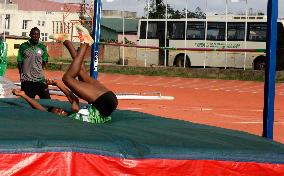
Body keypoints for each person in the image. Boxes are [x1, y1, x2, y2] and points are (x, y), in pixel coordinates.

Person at [13, 24, 118, 123]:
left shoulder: (74, 113)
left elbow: (73, 98)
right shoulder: (70, 119)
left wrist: (58, 84)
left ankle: (66, 41)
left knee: (82, 75)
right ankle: (85, 43)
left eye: (59, 109)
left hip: (105, 100)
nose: (61, 111)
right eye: (58, 112)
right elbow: (41, 109)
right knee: (67, 78)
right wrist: (25, 95)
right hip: (105, 105)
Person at [17, 27, 51, 99]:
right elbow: (19, 62)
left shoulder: (42, 47)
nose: (35, 36)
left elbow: (44, 61)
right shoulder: (23, 46)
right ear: (30, 35)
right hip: (27, 81)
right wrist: (22, 76)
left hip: (40, 80)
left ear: (39, 35)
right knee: (27, 104)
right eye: (33, 34)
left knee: (48, 101)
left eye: (37, 34)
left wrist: (38, 70)